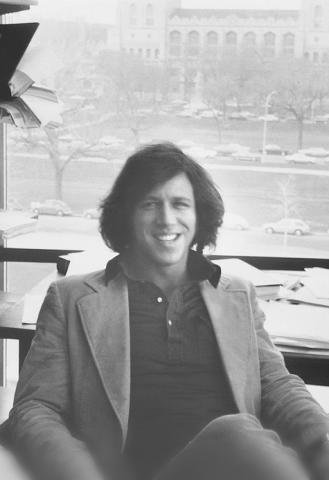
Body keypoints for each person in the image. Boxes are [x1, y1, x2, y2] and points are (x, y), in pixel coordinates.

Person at [1, 142, 329, 480]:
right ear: (126, 214)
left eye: (180, 204)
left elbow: (277, 385)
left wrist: (323, 439)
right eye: (150, 204)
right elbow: (33, 408)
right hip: (135, 472)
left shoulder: (236, 294)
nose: (166, 219)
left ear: (198, 215)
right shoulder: (72, 298)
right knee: (241, 433)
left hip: (232, 471)